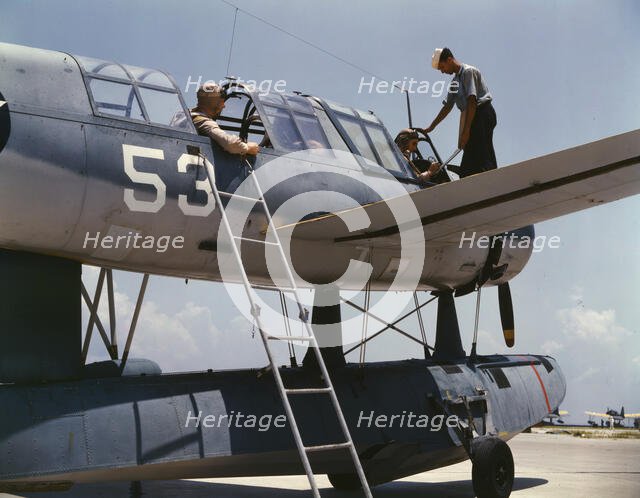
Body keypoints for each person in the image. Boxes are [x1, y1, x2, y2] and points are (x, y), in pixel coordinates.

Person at [423, 47, 497, 178]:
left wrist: (466, 131)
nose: (442, 72)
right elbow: (447, 107)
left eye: (442, 67)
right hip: (472, 115)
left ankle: (488, 177)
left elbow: (472, 101)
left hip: (482, 113)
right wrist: (431, 126)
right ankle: (468, 174)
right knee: (471, 150)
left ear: (449, 60)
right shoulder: (454, 83)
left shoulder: (468, 72)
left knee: (481, 150)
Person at [191, 83, 259, 155]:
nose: (224, 106)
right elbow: (230, 143)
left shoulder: (184, 115)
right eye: (221, 102)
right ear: (214, 103)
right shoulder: (204, 122)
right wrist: (247, 147)